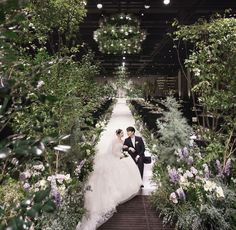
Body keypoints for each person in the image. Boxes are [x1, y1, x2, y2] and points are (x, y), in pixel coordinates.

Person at [77, 129, 142, 230]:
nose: (123, 135)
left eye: (123, 134)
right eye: (121, 133)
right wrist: (120, 155)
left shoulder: (123, 140)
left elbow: (123, 147)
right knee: (117, 173)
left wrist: (125, 149)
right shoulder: (114, 141)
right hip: (115, 157)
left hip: (121, 156)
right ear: (117, 134)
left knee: (127, 168)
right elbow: (113, 151)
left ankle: (124, 187)